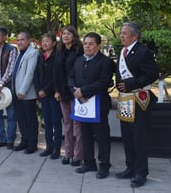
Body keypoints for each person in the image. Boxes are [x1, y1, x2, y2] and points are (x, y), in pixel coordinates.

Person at [115, 22, 159, 188]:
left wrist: (131, 84)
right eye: (121, 33)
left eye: (124, 33)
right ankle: (130, 167)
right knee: (127, 136)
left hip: (139, 100)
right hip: (125, 100)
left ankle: (141, 172)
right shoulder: (122, 51)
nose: (121, 35)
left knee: (138, 137)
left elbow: (152, 74)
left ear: (135, 35)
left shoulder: (143, 51)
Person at [68, 32, 115, 179]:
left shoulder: (105, 62)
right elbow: (70, 77)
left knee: (102, 137)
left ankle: (104, 165)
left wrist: (83, 91)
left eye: (91, 44)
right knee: (85, 134)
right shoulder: (78, 60)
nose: (87, 46)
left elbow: (104, 82)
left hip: (99, 105)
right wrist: (75, 92)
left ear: (98, 45)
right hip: (83, 106)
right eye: (85, 43)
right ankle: (89, 162)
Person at [53, 25, 83, 166]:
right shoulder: (59, 51)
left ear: (74, 36)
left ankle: (78, 156)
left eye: (68, 34)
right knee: (67, 124)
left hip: (75, 92)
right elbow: (56, 73)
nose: (65, 36)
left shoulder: (79, 51)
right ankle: (68, 153)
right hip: (63, 92)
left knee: (77, 124)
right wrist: (57, 90)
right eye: (63, 34)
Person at [35, 33, 62, 159]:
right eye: (43, 41)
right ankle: (48, 146)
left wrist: (46, 90)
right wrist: (39, 90)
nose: (44, 43)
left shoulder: (57, 56)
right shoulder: (41, 56)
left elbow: (55, 76)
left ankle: (57, 148)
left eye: (47, 41)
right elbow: (36, 75)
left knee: (56, 121)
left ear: (54, 43)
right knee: (47, 121)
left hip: (54, 94)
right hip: (42, 94)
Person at [11, 32, 39, 154]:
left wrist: (22, 91)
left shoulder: (33, 53)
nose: (19, 42)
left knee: (30, 119)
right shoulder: (20, 53)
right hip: (16, 92)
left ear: (29, 40)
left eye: (22, 40)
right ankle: (24, 140)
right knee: (21, 118)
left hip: (27, 93)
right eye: (18, 40)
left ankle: (32, 144)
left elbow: (30, 74)